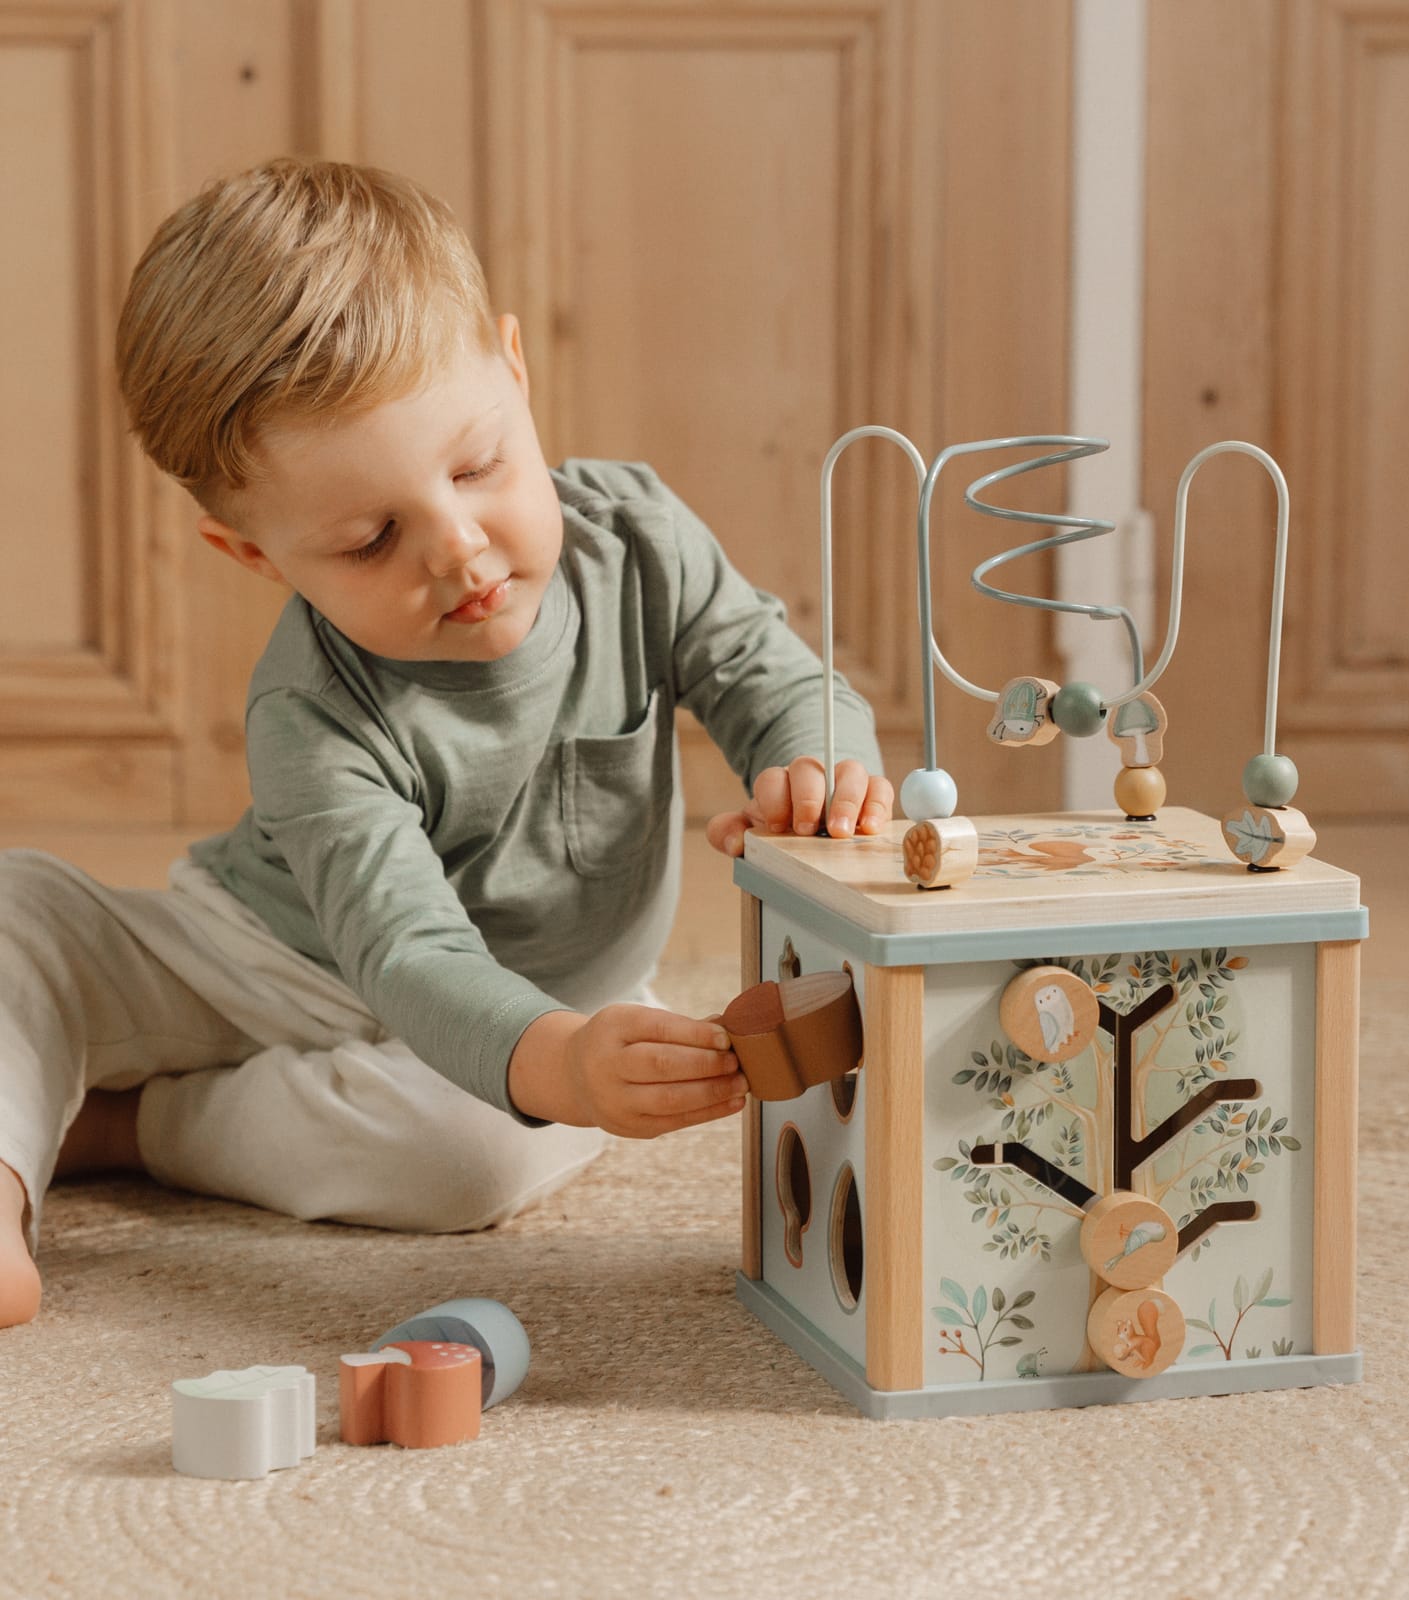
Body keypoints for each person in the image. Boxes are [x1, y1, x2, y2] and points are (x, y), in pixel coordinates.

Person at [0, 158, 891, 1328]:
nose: (459, 550)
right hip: (275, 959)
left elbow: (776, 677)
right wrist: (568, 1073)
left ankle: (130, 1123)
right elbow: (405, 954)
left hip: (536, 1015)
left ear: (514, 372)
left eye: (478, 467)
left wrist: (814, 763)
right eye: (370, 540)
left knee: (475, 1159)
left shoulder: (638, 539)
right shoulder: (308, 708)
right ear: (259, 558)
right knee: (20, 917)